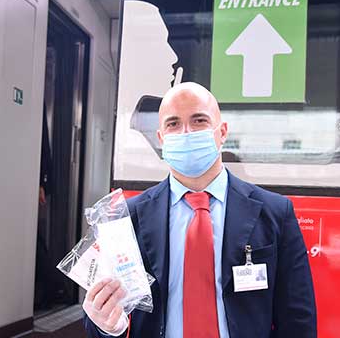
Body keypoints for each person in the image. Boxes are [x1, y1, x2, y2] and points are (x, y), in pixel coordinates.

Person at [83, 82, 316, 337]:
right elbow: (99, 321)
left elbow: (297, 319)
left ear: (222, 132)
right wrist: (106, 327)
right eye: (173, 124)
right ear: (161, 138)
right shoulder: (128, 218)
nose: (186, 133)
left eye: (199, 121)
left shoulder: (274, 213)